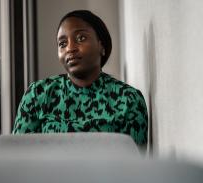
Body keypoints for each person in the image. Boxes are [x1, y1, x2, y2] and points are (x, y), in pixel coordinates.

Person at [13, 10, 148, 146]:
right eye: (62, 44)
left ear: (102, 46)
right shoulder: (38, 94)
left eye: (81, 38)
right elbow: (17, 155)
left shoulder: (128, 99)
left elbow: (134, 163)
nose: (70, 48)